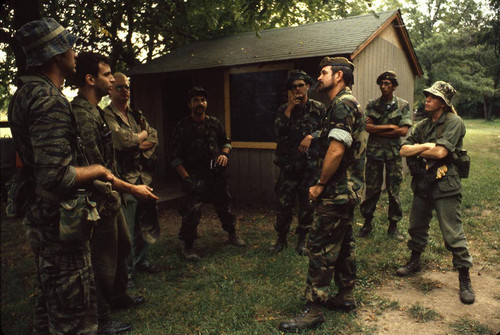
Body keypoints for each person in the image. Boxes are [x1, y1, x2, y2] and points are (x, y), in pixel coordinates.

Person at [8, 18, 117, 334]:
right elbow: (54, 175)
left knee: (48, 305)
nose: (74, 52)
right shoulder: (49, 100)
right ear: (56, 55)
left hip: (41, 218)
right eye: (69, 46)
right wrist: (98, 169)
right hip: (59, 225)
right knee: (73, 319)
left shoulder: (25, 94)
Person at [71, 52, 158, 334]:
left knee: (124, 247)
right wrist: (131, 188)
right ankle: (102, 320)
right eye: (108, 75)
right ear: (90, 79)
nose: (112, 79)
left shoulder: (96, 110)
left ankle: (120, 297)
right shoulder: (83, 115)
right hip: (99, 200)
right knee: (102, 263)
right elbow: (97, 170)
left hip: (112, 196)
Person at [278, 57, 367, 332]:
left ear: (338, 76)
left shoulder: (341, 105)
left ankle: (314, 309)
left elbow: (337, 149)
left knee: (319, 246)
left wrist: (319, 184)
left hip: (336, 190)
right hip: (348, 190)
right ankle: (345, 295)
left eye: (324, 72)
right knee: (344, 243)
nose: (320, 77)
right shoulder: (345, 103)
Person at [397, 81, 475, 304]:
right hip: (423, 182)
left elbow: (441, 152)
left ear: (442, 102)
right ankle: (415, 261)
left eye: (432, 97)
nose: (427, 100)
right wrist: (426, 146)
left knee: (452, 233)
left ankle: (464, 277)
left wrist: (421, 149)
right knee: (416, 225)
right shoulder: (422, 124)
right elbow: (403, 149)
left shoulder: (454, 122)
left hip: (445, 184)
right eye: (427, 96)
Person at [171, 87, 246, 261]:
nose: (200, 104)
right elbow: (175, 158)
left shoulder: (215, 123)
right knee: (192, 212)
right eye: (196, 100)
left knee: (225, 208)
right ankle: (188, 246)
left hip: (216, 176)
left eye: (203, 100)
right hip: (194, 177)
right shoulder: (182, 127)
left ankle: (232, 233)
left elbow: (227, 142)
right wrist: (187, 178)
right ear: (190, 104)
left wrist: (224, 154)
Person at [104, 73, 161, 285]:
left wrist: (137, 142)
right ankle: (126, 273)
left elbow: (153, 135)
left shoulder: (136, 114)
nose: (125, 91)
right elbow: (120, 142)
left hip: (143, 177)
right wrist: (140, 139)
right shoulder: (107, 115)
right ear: (110, 90)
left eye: (127, 87)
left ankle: (142, 261)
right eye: (120, 87)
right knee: (125, 230)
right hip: (124, 180)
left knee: (145, 222)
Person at [270, 70, 326, 255]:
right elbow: (278, 133)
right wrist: (288, 110)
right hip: (288, 166)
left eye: (301, 85)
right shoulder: (283, 110)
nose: (297, 90)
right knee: (284, 204)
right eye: (293, 87)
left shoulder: (319, 108)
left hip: (309, 167)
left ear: (308, 86)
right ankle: (281, 239)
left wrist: (312, 136)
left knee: (307, 205)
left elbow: (327, 132)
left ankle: (302, 239)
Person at [358, 71, 412, 241]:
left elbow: (403, 131)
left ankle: (393, 226)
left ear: (394, 86)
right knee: (372, 189)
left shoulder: (403, 105)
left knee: (393, 190)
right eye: (381, 83)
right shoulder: (372, 105)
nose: (384, 86)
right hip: (374, 154)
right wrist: (390, 127)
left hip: (393, 154)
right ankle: (367, 223)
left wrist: (379, 127)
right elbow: (368, 128)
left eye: (388, 83)